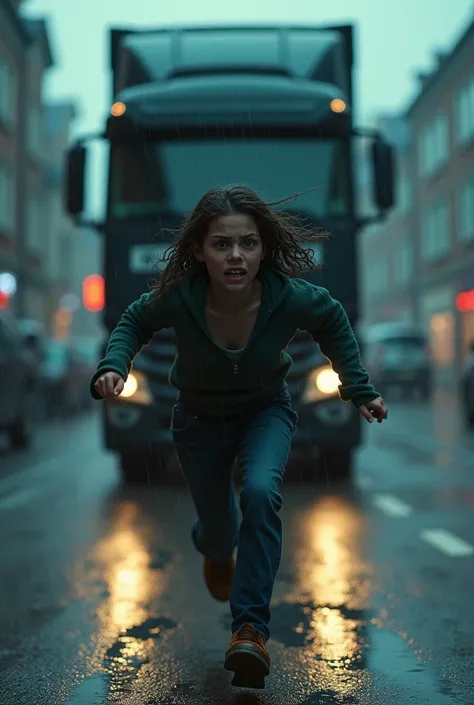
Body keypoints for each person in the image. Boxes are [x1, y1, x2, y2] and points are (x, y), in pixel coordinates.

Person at [90, 184, 388, 689]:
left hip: (265, 412)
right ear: (200, 251)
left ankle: (249, 629)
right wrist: (115, 365)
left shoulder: (289, 296)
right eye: (222, 244)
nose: (236, 256)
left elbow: (333, 322)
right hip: (197, 421)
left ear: (264, 249)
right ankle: (213, 543)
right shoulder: (181, 297)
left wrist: (359, 390)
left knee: (259, 492)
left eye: (248, 244)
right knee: (220, 529)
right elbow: (133, 322)